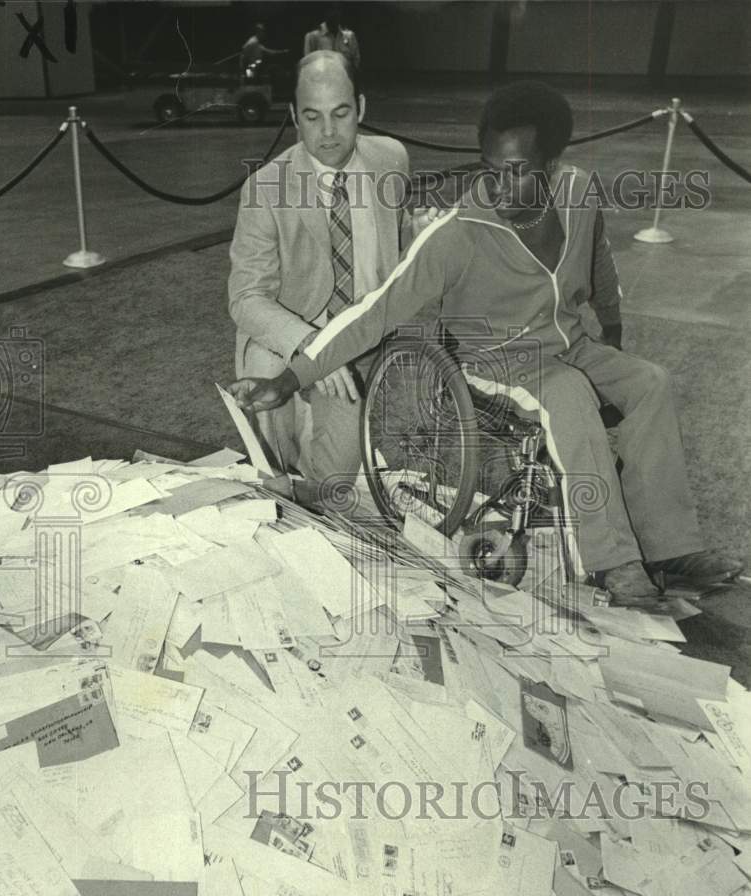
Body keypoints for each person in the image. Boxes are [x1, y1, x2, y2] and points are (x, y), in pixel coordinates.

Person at [228, 81, 743, 607]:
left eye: (517, 170)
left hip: (569, 342)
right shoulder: (460, 232)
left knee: (651, 383)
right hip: (492, 360)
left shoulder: (578, 193)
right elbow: (376, 310)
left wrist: (612, 339)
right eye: (491, 167)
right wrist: (290, 379)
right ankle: (612, 563)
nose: (499, 184)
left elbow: (600, 268)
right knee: (565, 392)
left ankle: (671, 548)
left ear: (550, 164)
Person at [229, 51, 414, 483]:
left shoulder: (392, 160)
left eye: (341, 113)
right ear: (294, 116)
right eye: (312, 117)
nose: (328, 132)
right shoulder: (265, 188)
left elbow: (399, 241)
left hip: (357, 342)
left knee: (334, 484)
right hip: (285, 344)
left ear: (362, 108)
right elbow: (245, 298)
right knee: (278, 473)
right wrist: (314, 348)